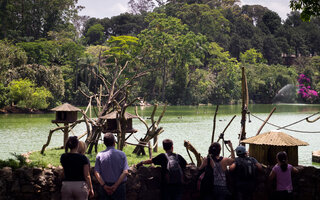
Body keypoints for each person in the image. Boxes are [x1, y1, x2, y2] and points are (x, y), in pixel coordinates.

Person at [94, 133, 129, 200]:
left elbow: (96, 172)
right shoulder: (122, 154)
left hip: (104, 186)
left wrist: (104, 186)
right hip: (119, 187)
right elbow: (125, 172)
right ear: (114, 142)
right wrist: (115, 186)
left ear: (104, 143)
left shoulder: (100, 155)